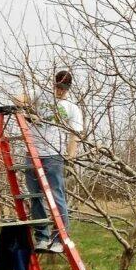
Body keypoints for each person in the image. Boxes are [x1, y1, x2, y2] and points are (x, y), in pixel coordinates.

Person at [18, 70, 83, 253]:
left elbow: (74, 135)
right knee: (35, 196)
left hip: (53, 155)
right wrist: (30, 112)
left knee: (56, 196)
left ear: (68, 88)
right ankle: (42, 237)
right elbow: (18, 100)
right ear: (54, 84)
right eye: (58, 87)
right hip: (32, 153)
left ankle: (59, 238)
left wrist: (69, 159)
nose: (60, 91)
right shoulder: (40, 95)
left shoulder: (72, 108)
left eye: (64, 89)